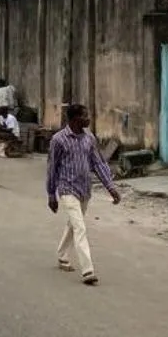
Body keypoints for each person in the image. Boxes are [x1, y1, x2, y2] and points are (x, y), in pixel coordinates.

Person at [46, 104, 121, 285]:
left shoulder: (89, 138)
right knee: (80, 227)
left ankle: (62, 255)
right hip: (67, 189)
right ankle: (88, 271)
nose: (88, 118)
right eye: (84, 115)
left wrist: (110, 188)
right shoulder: (58, 140)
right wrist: (51, 194)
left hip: (84, 189)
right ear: (74, 119)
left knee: (73, 224)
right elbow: (52, 168)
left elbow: (98, 163)